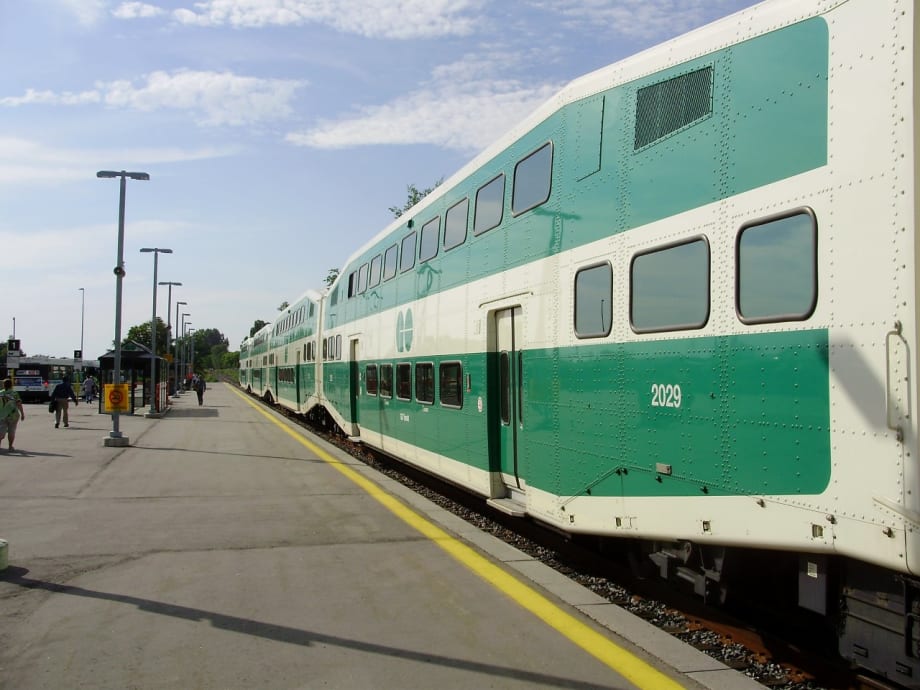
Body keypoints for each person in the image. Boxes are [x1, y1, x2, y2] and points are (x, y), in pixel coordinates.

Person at [0, 378, 24, 451]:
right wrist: (22, 414)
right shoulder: (15, 393)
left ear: (3, 385)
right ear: (11, 385)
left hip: (2, 415)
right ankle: (10, 446)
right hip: (13, 415)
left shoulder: (0, 393)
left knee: (1, 431)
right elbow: (19, 404)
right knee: (12, 431)